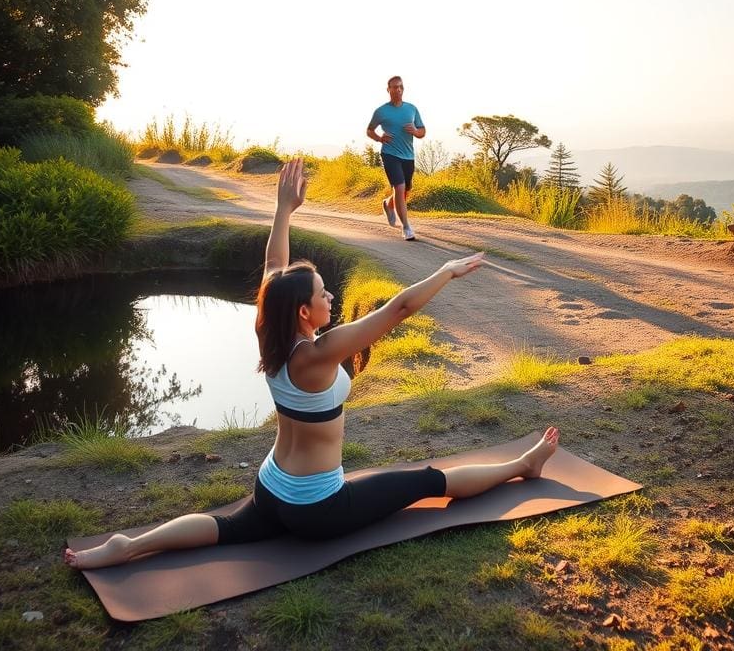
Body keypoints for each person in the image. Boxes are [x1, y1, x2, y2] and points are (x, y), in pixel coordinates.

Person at [65, 158, 559, 570]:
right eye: (324, 294)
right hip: (317, 507)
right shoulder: (319, 354)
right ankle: (523, 464)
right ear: (305, 312)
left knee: (228, 527)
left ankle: (128, 546)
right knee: (428, 481)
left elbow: (273, 270)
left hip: (272, 486)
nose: (331, 296)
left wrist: (284, 210)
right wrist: (446, 271)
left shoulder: (270, 335)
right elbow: (399, 309)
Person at [367, 75, 425, 241]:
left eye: (400, 87)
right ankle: (406, 228)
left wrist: (415, 131)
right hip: (390, 154)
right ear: (388, 90)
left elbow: (422, 131)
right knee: (399, 188)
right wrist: (379, 138)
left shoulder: (412, 109)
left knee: (405, 190)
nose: (398, 90)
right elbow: (370, 130)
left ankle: (388, 204)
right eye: (394, 87)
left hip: (408, 156)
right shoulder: (381, 111)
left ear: (403, 89)